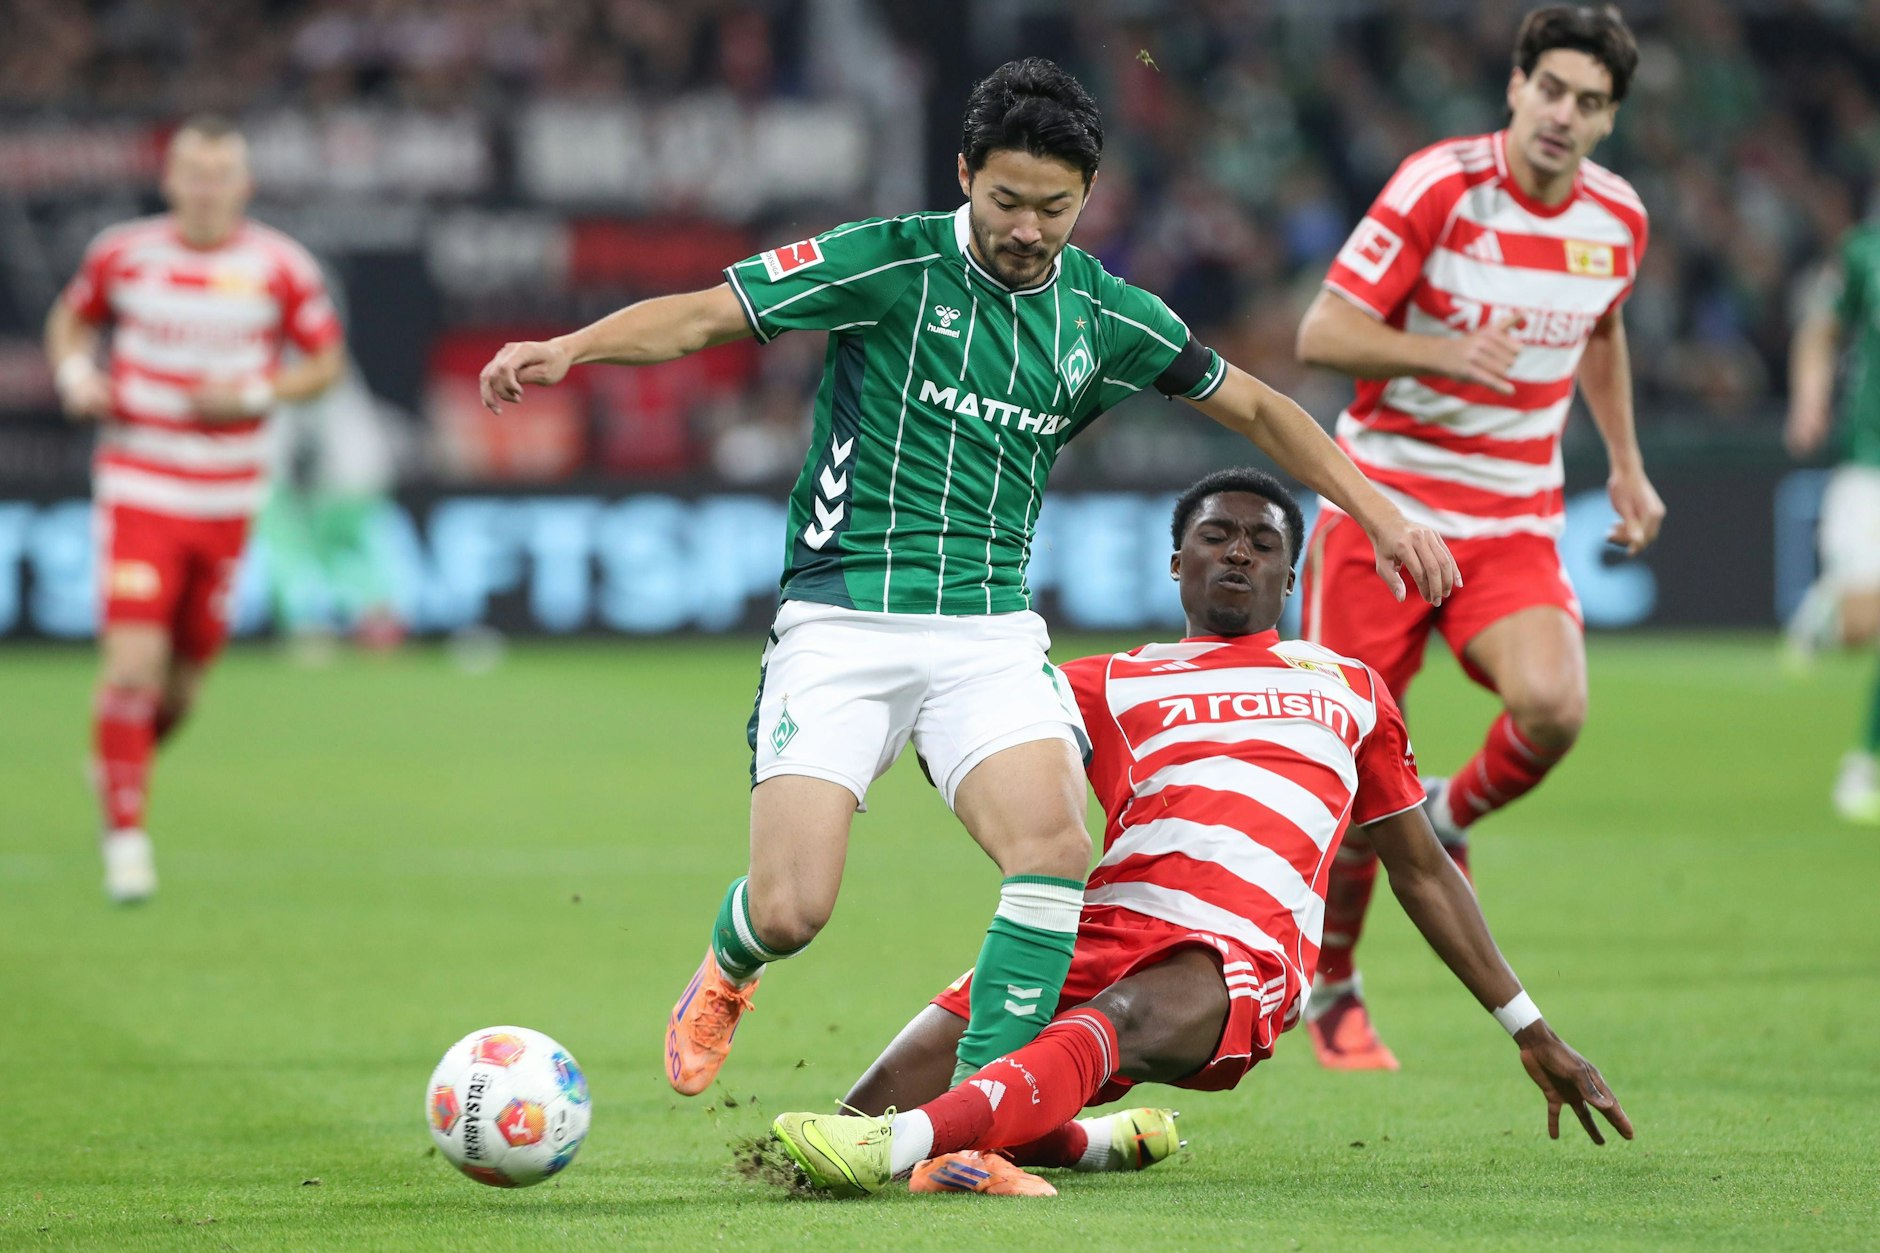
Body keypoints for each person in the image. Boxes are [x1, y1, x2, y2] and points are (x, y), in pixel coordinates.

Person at [478, 59, 1459, 1098]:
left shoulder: (1107, 312)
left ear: (1088, 195)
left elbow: (1259, 410)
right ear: (961, 175)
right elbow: (704, 316)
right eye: (1004, 201)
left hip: (988, 631)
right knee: (792, 909)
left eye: (1053, 207)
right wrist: (570, 348)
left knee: (1050, 847)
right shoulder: (887, 263)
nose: (1027, 229)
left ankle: (981, 1118)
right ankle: (730, 963)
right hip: (842, 620)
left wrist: (1379, 511)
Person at [760, 469, 1631, 1198]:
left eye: (1263, 541)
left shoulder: (1351, 685)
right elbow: (965, 740)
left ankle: (913, 1145)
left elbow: (1423, 870)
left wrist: (1529, 1026)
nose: (1240, 550)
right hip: (1087, 932)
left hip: (1238, 952)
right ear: (1177, 560)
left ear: (1291, 578)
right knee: (833, 1148)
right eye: (1218, 535)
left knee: (1111, 1025)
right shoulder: (1101, 682)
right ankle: (1081, 1143)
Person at [1290, 4, 1664, 1069]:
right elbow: (1322, 332)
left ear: (1607, 120)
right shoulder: (1436, 186)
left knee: (1552, 706)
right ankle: (1333, 983)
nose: (1562, 114)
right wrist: (1453, 356)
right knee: (1358, 759)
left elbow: (1600, 328)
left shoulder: (1617, 220)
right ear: (1513, 88)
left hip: (1510, 514)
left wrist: (1626, 463)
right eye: (1548, 88)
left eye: (1587, 102)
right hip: (1385, 505)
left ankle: (1446, 814)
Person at [45, 115, 345, 903]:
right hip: (141, 483)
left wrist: (250, 392)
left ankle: (117, 762)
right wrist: (78, 376)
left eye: (221, 174)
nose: (206, 188)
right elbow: (70, 317)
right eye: (193, 172)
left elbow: (324, 363)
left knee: (180, 691)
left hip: (229, 496)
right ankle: (126, 843)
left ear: (242, 185)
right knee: (133, 668)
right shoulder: (124, 252)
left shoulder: (279, 266)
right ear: (170, 179)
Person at [1785, 225, 1880, 823]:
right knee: (1863, 622)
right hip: (1869, 461)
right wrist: (1809, 397)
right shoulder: (1864, 251)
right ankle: (1826, 613)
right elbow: (1821, 327)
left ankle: (1862, 765)